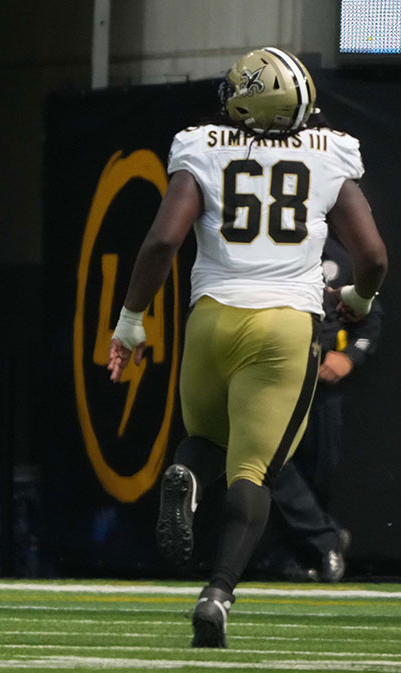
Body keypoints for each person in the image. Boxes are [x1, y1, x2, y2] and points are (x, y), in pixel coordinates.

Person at [107, 47, 387, 648]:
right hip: (285, 324)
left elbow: (161, 242)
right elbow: (372, 257)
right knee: (255, 470)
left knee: (203, 440)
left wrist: (130, 321)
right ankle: (218, 591)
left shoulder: (202, 145)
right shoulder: (330, 152)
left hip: (212, 317)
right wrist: (360, 303)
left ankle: (183, 471)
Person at [261, 235, 381, 582]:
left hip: (322, 384)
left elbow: (371, 316)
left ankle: (297, 556)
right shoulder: (266, 255)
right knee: (269, 458)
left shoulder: (341, 260)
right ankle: (326, 540)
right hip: (275, 375)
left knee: (319, 470)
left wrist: (350, 355)